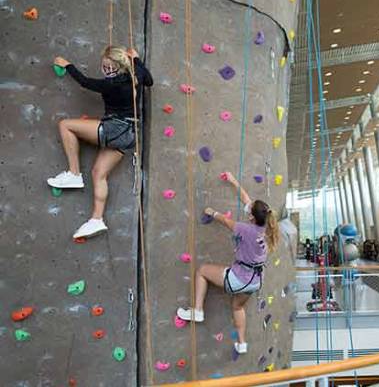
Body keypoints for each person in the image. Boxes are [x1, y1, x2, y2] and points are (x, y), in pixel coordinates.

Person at [47, 46, 153, 239]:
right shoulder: (135, 75)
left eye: (106, 66)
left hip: (114, 128)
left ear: (113, 68)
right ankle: (97, 219)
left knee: (65, 125)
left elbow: (85, 82)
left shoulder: (111, 84)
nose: (104, 69)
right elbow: (149, 80)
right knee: (98, 174)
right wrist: (136, 59)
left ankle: (74, 173)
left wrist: (67, 65)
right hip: (129, 135)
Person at [177, 172, 280, 354]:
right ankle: (242, 343)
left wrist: (212, 212)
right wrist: (234, 182)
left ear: (252, 217)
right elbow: (248, 201)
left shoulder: (245, 229)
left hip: (238, 279)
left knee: (202, 270)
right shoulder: (267, 229)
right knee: (237, 306)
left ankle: (198, 310)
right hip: (254, 282)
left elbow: (226, 221)